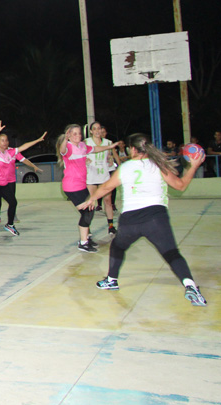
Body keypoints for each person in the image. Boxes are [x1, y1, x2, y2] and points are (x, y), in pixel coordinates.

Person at [86, 134, 207, 307]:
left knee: (118, 246)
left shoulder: (125, 167)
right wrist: (193, 167)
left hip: (130, 221)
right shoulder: (159, 164)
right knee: (172, 253)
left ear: (133, 149)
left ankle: (112, 280)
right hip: (156, 219)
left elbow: (106, 187)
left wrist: (91, 199)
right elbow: (180, 186)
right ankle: (190, 285)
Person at [56, 123, 118, 253]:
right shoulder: (68, 147)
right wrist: (65, 140)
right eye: (74, 134)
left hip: (81, 185)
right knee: (88, 212)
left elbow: (94, 149)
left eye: (79, 133)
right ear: (69, 136)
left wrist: (110, 147)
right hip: (72, 186)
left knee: (89, 210)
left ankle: (86, 238)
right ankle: (83, 242)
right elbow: (62, 151)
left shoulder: (83, 146)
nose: (77, 136)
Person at [0, 122, 46, 239]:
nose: (5, 142)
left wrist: (38, 140)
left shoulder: (11, 152)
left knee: (13, 202)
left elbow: (24, 146)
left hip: (4, 183)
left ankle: (10, 224)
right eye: (2, 140)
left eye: (6, 140)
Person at [85, 121, 121, 236]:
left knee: (108, 201)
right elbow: (79, 155)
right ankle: (87, 228)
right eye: (94, 129)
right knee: (91, 202)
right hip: (91, 175)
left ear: (101, 130)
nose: (97, 131)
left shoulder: (107, 143)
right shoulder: (86, 142)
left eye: (99, 128)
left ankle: (111, 226)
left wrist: (111, 160)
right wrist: (84, 160)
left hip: (104, 175)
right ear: (91, 131)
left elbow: (110, 156)